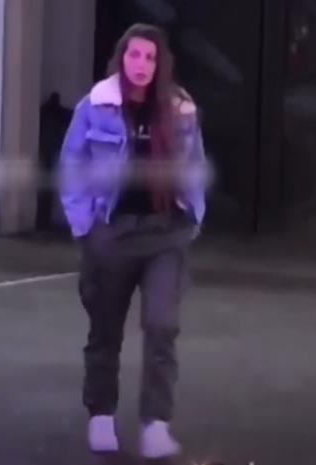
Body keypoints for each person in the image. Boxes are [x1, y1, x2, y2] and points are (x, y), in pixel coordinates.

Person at [58, 23, 208, 459]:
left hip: (165, 233)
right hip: (113, 232)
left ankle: (156, 423)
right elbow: (72, 165)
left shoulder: (180, 109)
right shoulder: (96, 106)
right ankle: (101, 415)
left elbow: (194, 163)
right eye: (134, 55)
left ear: (161, 64)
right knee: (105, 329)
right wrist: (85, 227)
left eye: (150, 57)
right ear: (121, 58)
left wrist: (194, 213)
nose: (141, 64)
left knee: (162, 325)